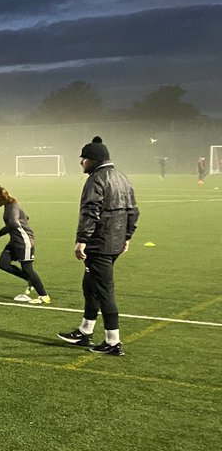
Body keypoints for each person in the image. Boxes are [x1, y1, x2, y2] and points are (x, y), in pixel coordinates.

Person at [58, 137, 139, 356]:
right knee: (90, 285)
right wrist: (127, 236)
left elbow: (90, 211)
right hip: (114, 243)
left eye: (83, 158)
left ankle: (113, 342)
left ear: (94, 159)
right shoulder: (122, 177)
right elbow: (133, 210)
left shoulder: (96, 180)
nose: (81, 162)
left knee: (104, 291)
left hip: (99, 243)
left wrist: (82, 240)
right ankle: (85, 331)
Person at [0, 185, 50, 304]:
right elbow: (25, 217)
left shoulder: (11, 206)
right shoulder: (10, 205)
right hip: (14, 241)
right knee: (3, 264)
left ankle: (44, 295)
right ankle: (29, 279)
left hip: (24, 241)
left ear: (0, 198)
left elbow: (13, 224)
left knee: (27, 269)